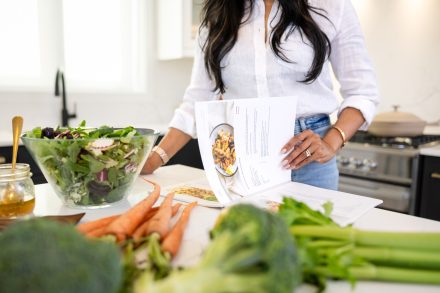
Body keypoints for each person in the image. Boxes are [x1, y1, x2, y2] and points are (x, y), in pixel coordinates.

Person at [142, 0, 379, 191]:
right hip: (243, 157)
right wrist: (155, 158)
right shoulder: (219, 12)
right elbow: (197, 101)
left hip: (309, 157)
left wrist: (331, 141)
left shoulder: (331, 5)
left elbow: (362, 91)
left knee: (311, 246)